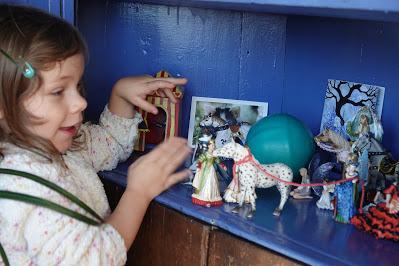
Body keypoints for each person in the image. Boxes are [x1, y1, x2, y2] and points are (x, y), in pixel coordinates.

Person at [0, 5, 191, 265]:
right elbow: (93, 260)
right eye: (58, 91)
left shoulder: (58, 149)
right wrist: (138, 193)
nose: (80, 102)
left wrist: (120, 94)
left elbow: (107, 143)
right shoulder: (23, 185)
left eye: (77, 85)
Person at [192, 138, 223, 207]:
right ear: (208, 146)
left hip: (211, 170)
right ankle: (205, 198)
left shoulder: (214, 154)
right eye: (212, 145)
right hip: (205, 170)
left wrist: (222, 166)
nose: (213, 146)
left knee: (213, 183)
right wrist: (199, 165)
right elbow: (200, 160)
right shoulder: (206, 154)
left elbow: (218, 161)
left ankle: (211, 198)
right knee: (205, 182)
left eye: (214, 145)